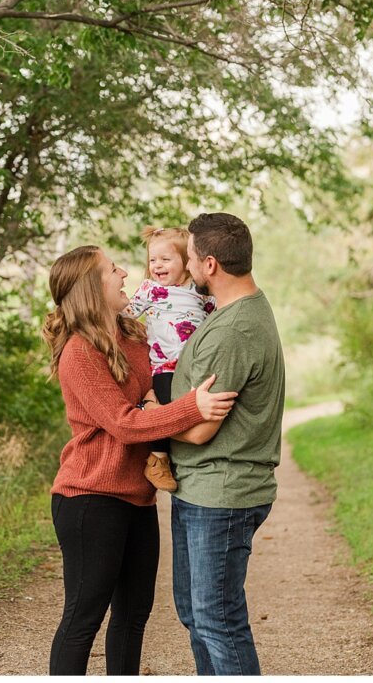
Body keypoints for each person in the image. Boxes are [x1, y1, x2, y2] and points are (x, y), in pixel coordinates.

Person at [43, 245, 239, 675]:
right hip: (89, 498)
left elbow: (155, 389)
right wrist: (194, 408)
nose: (125, 273)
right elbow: (125, 423)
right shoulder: (80, 351)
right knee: (83, 620)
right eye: (113, 270)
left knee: (133, 617)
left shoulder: (133, 335)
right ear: (92, 287)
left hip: (138, 499)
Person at [168, 212, 285, 676]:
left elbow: (198, 430)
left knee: (218, 621)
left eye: (192, 257)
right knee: (197, 615)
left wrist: (141, 419)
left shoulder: (234, 331)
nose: (187, 265)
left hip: (222, 494)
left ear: (211, 263)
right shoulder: (236, 312)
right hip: (200, 488)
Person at [125, 226, 216, 492]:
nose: (157, 266)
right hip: (164, 366)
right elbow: (127, 314)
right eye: (153, 260)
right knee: (164, 410)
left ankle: (195, 456)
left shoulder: (199, 292)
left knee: (196, 409)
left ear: (187, 263)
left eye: (166, 259)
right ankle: (158, 459)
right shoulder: (149, 290)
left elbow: (216, 318)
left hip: (194, 365)